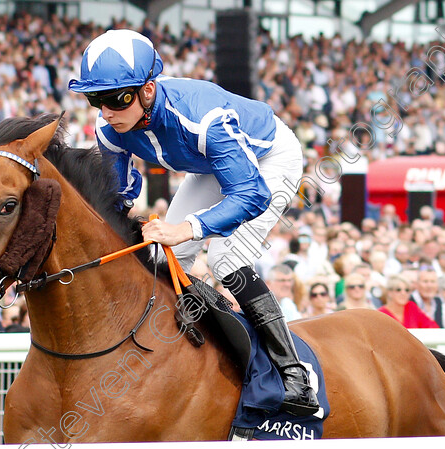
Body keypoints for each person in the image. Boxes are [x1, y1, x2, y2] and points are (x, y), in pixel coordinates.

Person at [69, 29, 317, 415]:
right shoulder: (110, 129)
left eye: (116, 99)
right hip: (208, 166)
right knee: (170, 256)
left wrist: (186, 228)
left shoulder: (203, 117)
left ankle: (294, 375)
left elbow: (250, 194)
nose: (105, 112)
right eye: (94, 99)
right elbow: (116, 200)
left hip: (269, 159)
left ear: (147, 90)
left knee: (225, 257)